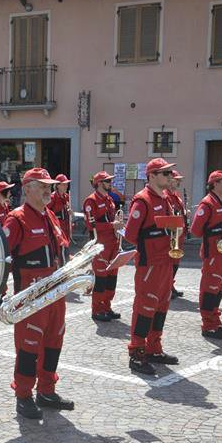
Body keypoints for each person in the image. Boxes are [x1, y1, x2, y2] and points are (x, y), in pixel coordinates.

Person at [2, 168, 73, 419]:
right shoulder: (16, 218)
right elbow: (3, 258)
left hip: (56, 293)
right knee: (29, 347)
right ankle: (23, 395)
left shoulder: (50, 215)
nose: (48, 190)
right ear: (27, 188)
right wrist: (2, 293)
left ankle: (47, 390)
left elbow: (60, 249)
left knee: (54, 342)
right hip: (31, 296)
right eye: (42, 185)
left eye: (50, 185)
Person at [124, 158, 182, 375]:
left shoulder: (166, 198)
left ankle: (154, 348)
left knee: (161, 307)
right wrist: (156, 234)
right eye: (165, 173)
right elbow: (130, 235)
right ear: (152, 175)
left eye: (170, 173)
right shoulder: (143, 200)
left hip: (165, 261)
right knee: (144, 308)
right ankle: (137, 354)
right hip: (149, 264)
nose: (170, 177)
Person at [189, 170, 222, 339]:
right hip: (214, 253)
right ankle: (208, 325)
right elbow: (195, 230)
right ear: (215, 183)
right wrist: (219, 231)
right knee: (210, 288)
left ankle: (215, 320)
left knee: (220, 287)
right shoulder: (207, 204)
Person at [83, 171, 124, 322]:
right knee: (100, 280)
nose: (110, 183)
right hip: (100, 245)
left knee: (111, 279)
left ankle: (107, 307)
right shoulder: (91, 201)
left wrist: (118, 225)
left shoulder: (109, 199)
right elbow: (90, 225)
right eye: (107, 181)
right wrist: (112, 225)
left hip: (113, 243)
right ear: (99, 183)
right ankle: (97, 310)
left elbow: (112, 219)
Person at [166, 170, 187, 299]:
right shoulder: (166, 196)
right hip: (172, 234)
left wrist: (185, 213)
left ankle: (170, 285)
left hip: (180, 234)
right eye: (176, 180)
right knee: (170, 262)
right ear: (170, 180)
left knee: (176, 262)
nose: (179, 182)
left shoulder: (176, 196)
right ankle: (167, 287)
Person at [47, 174, 73, 259]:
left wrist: (70, 213)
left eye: (67, 184)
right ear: (58, 185)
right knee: (59, 248)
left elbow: (67, 209)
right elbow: (46, 211)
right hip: (58, 227)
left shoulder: (66, 196)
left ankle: (66, 258)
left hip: (66, 226)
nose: (66, 186)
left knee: (67, 245)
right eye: (64, 184)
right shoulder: (52, 197)